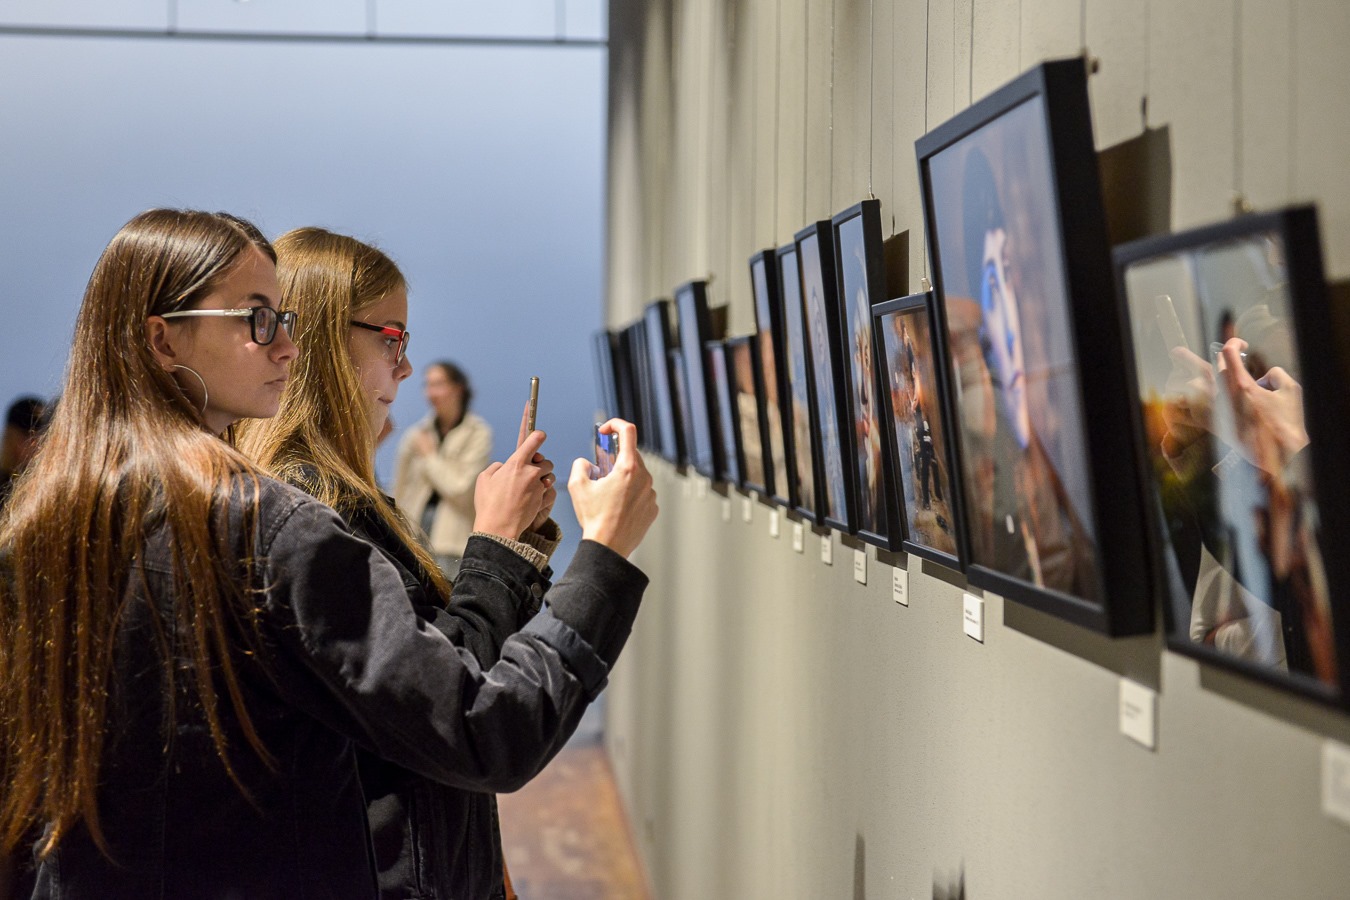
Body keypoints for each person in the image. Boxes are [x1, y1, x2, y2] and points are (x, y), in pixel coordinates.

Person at [0, 209, 658, 899]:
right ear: (163, 341)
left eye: (284, 318)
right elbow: (479, 728)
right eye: (257, 319)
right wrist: (604, 551)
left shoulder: (42, 526)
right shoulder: (268, 529)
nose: (287, 345)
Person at [236, 227, 562, 900]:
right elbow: (452, 698)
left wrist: (510, 545)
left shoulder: (311, 494)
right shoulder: (313, 511)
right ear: (327, 338)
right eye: (392, 339)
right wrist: (500, 540)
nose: (406, 369)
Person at [957, 147, 1095, 598]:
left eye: (1011, 274)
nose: (1009, 311)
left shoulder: (1067, 405)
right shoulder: (981, 422)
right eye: (993, 282)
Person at [392, 361, 490, 579]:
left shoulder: (478, 434)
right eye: (427, 385)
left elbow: (461, 490)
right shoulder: (415, 436)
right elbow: (399, 491)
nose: (430, 392)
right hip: (413, 540)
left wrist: (430, 458)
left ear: (458, 388)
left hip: (452, 545)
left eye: (438, 384)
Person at [0, 396, 46, 509]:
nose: (36, 443)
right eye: (28, 435)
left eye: (42, 436)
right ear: (11, 438)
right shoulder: (4, 484)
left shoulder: (47, 483)